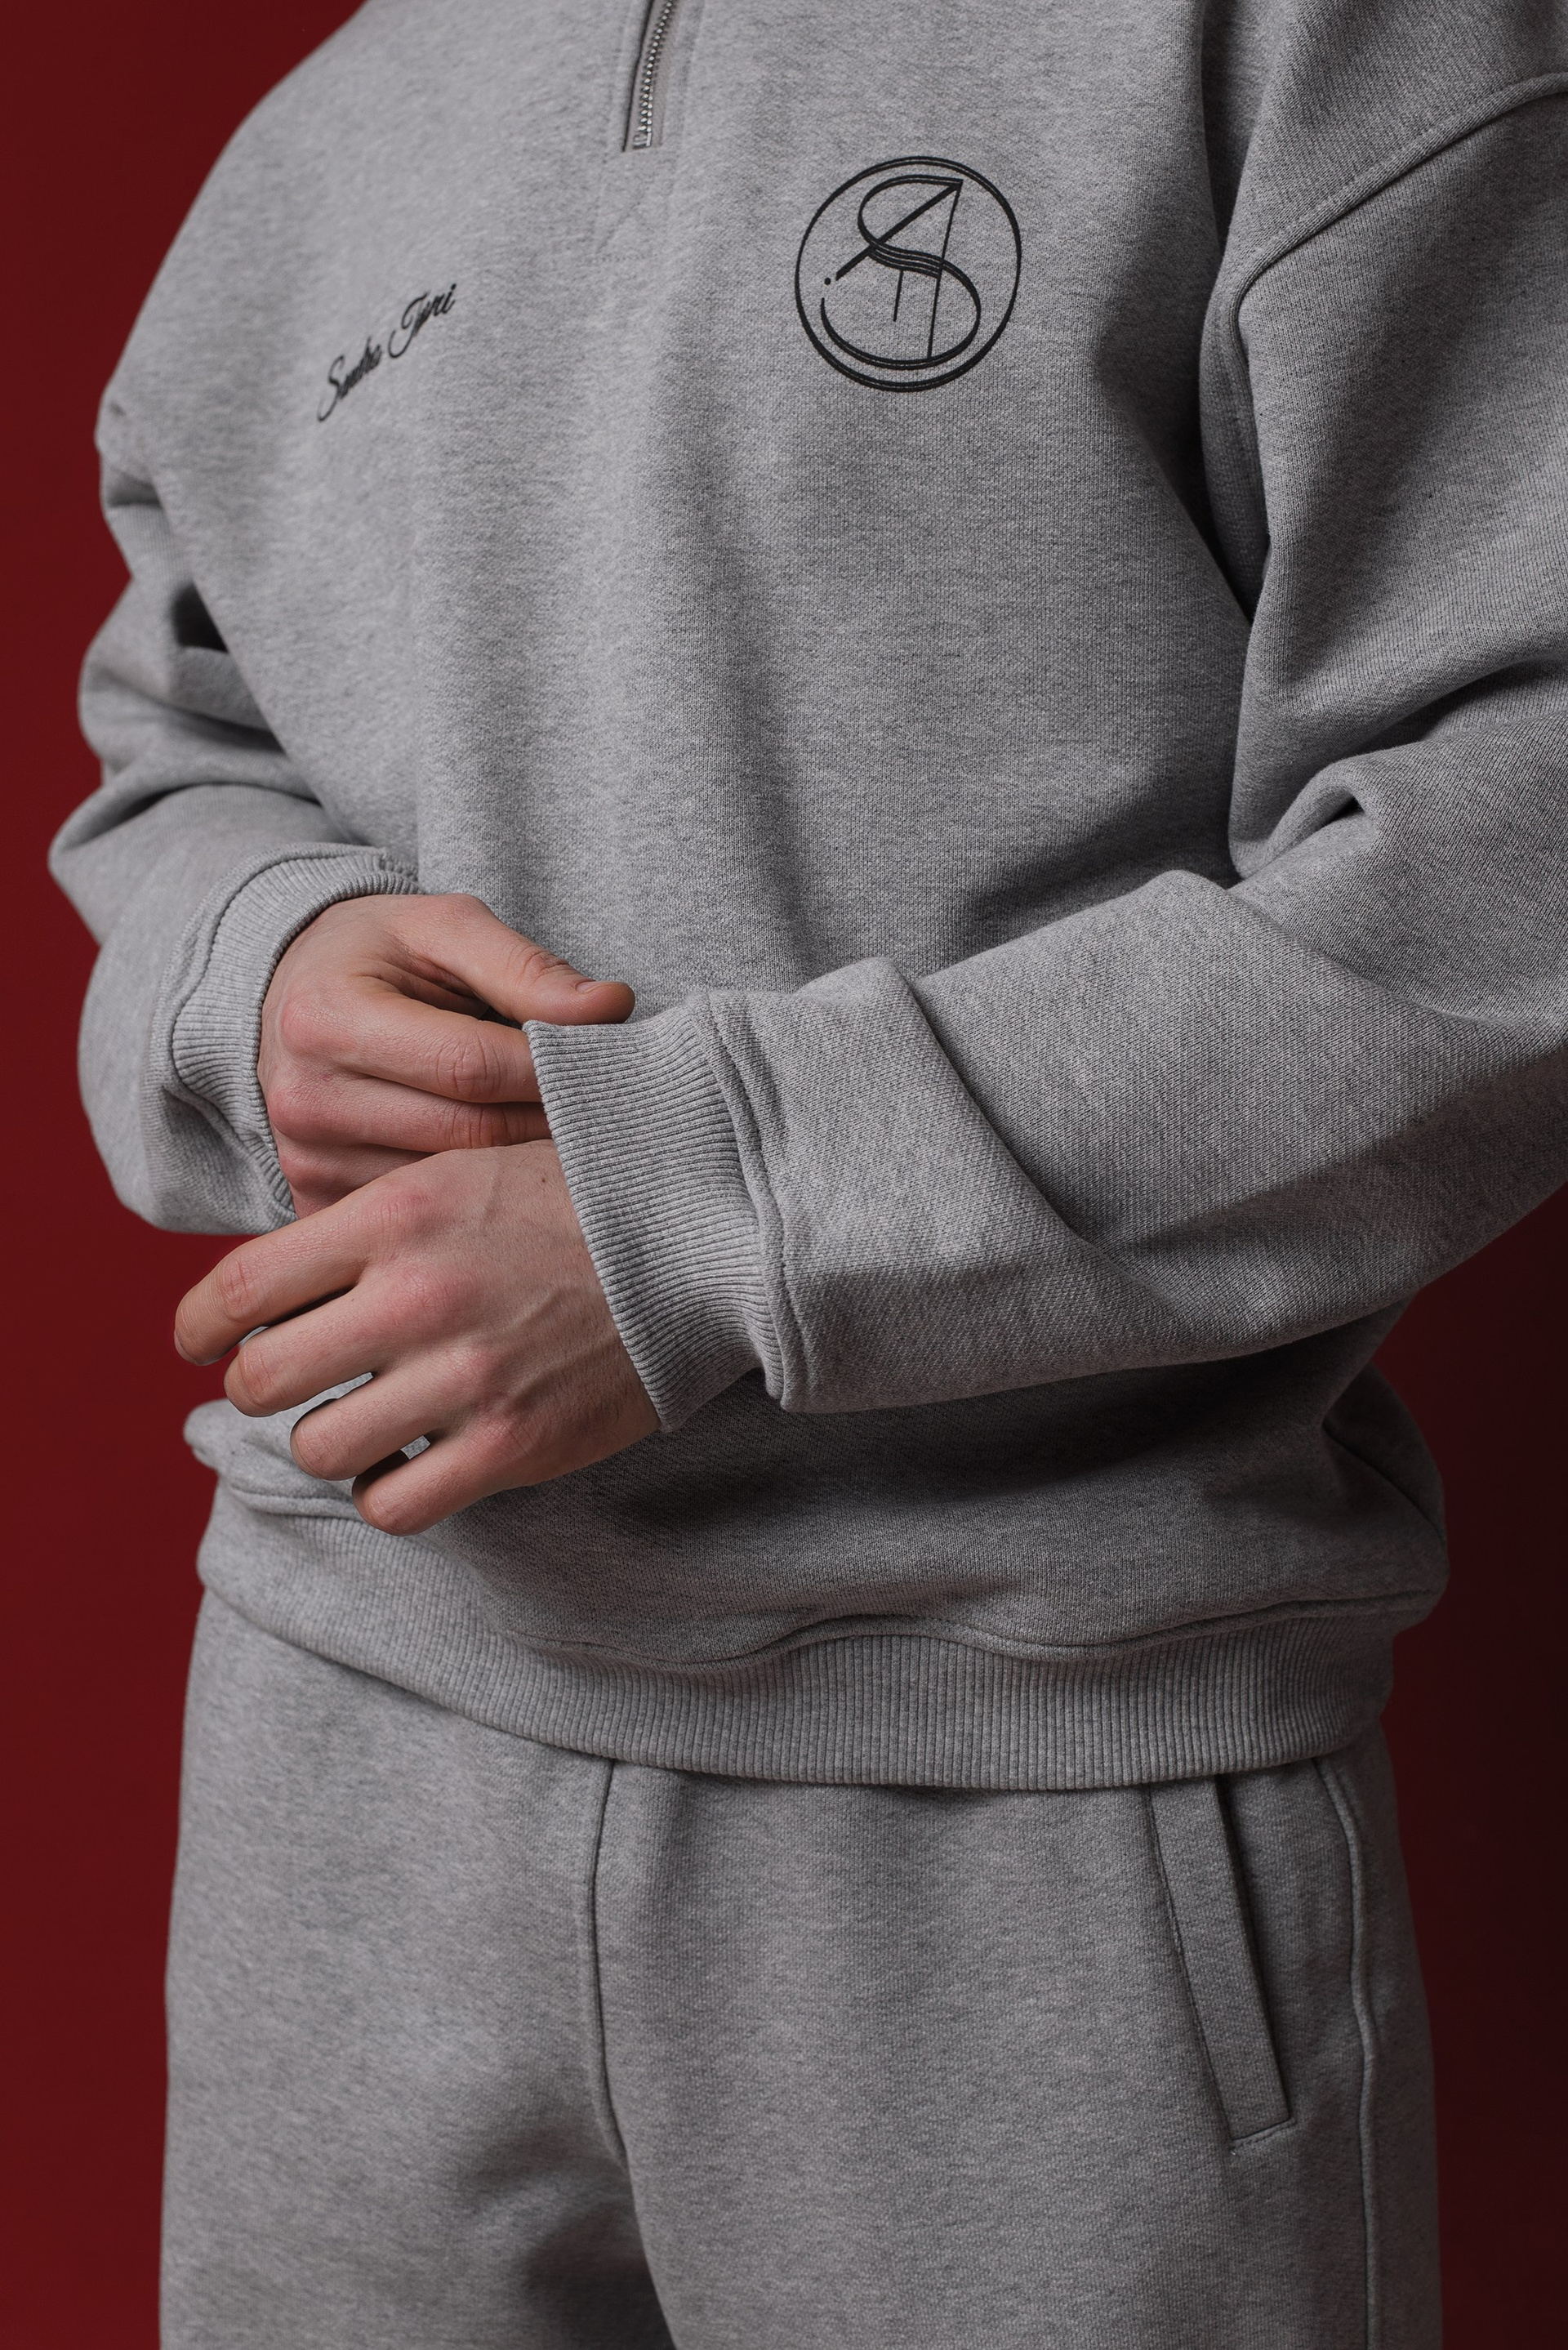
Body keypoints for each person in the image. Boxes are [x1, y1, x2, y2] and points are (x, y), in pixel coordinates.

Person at [51, 1, 1568, 2342]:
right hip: (338, 1736)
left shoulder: (1322, 34)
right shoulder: (321, 131)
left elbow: (1515, 852)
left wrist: (709, 1205)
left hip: (1026, 1786)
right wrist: (255, 958)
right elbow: (184, 735)